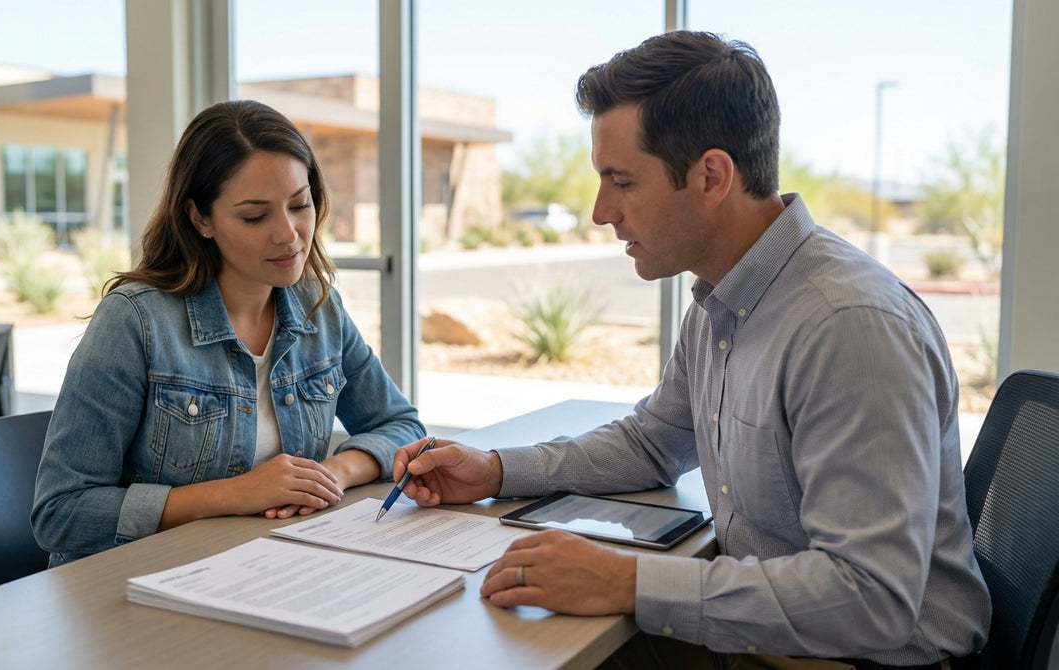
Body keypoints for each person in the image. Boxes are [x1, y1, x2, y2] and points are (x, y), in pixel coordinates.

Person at [394, 31, 990, 669]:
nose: (600, 212)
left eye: (621, 181)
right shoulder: (722, 301)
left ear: (711, 176)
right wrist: (495, 470)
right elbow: (652, 443)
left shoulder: (848, 326)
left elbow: (871, 600)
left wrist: (624, 581)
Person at [32, 100, 425, 566]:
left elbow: (402, 427)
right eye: (255, 216)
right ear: (200, 218)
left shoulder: (319, 307)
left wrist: (331, 473)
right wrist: (237, 493)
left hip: (264, 568)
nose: (290, 234)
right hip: (137, 587)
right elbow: (61, 513)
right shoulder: (134, 322)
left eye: (300, 205)